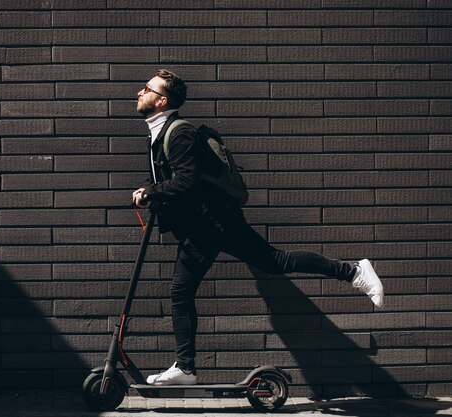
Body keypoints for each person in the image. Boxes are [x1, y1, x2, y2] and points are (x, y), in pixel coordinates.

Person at [132, 69, 385, 386]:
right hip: (202, 228)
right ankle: (185, 369)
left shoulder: (178, 132)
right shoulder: (157, 133)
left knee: (270, 263)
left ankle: (355, 270)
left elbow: (185, 181)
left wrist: (151, 192)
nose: (140, 92)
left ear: (162, 100)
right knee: (187, 290)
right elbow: (165, 178)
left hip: (215, 222)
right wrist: (147, 190)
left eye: (147, 88)